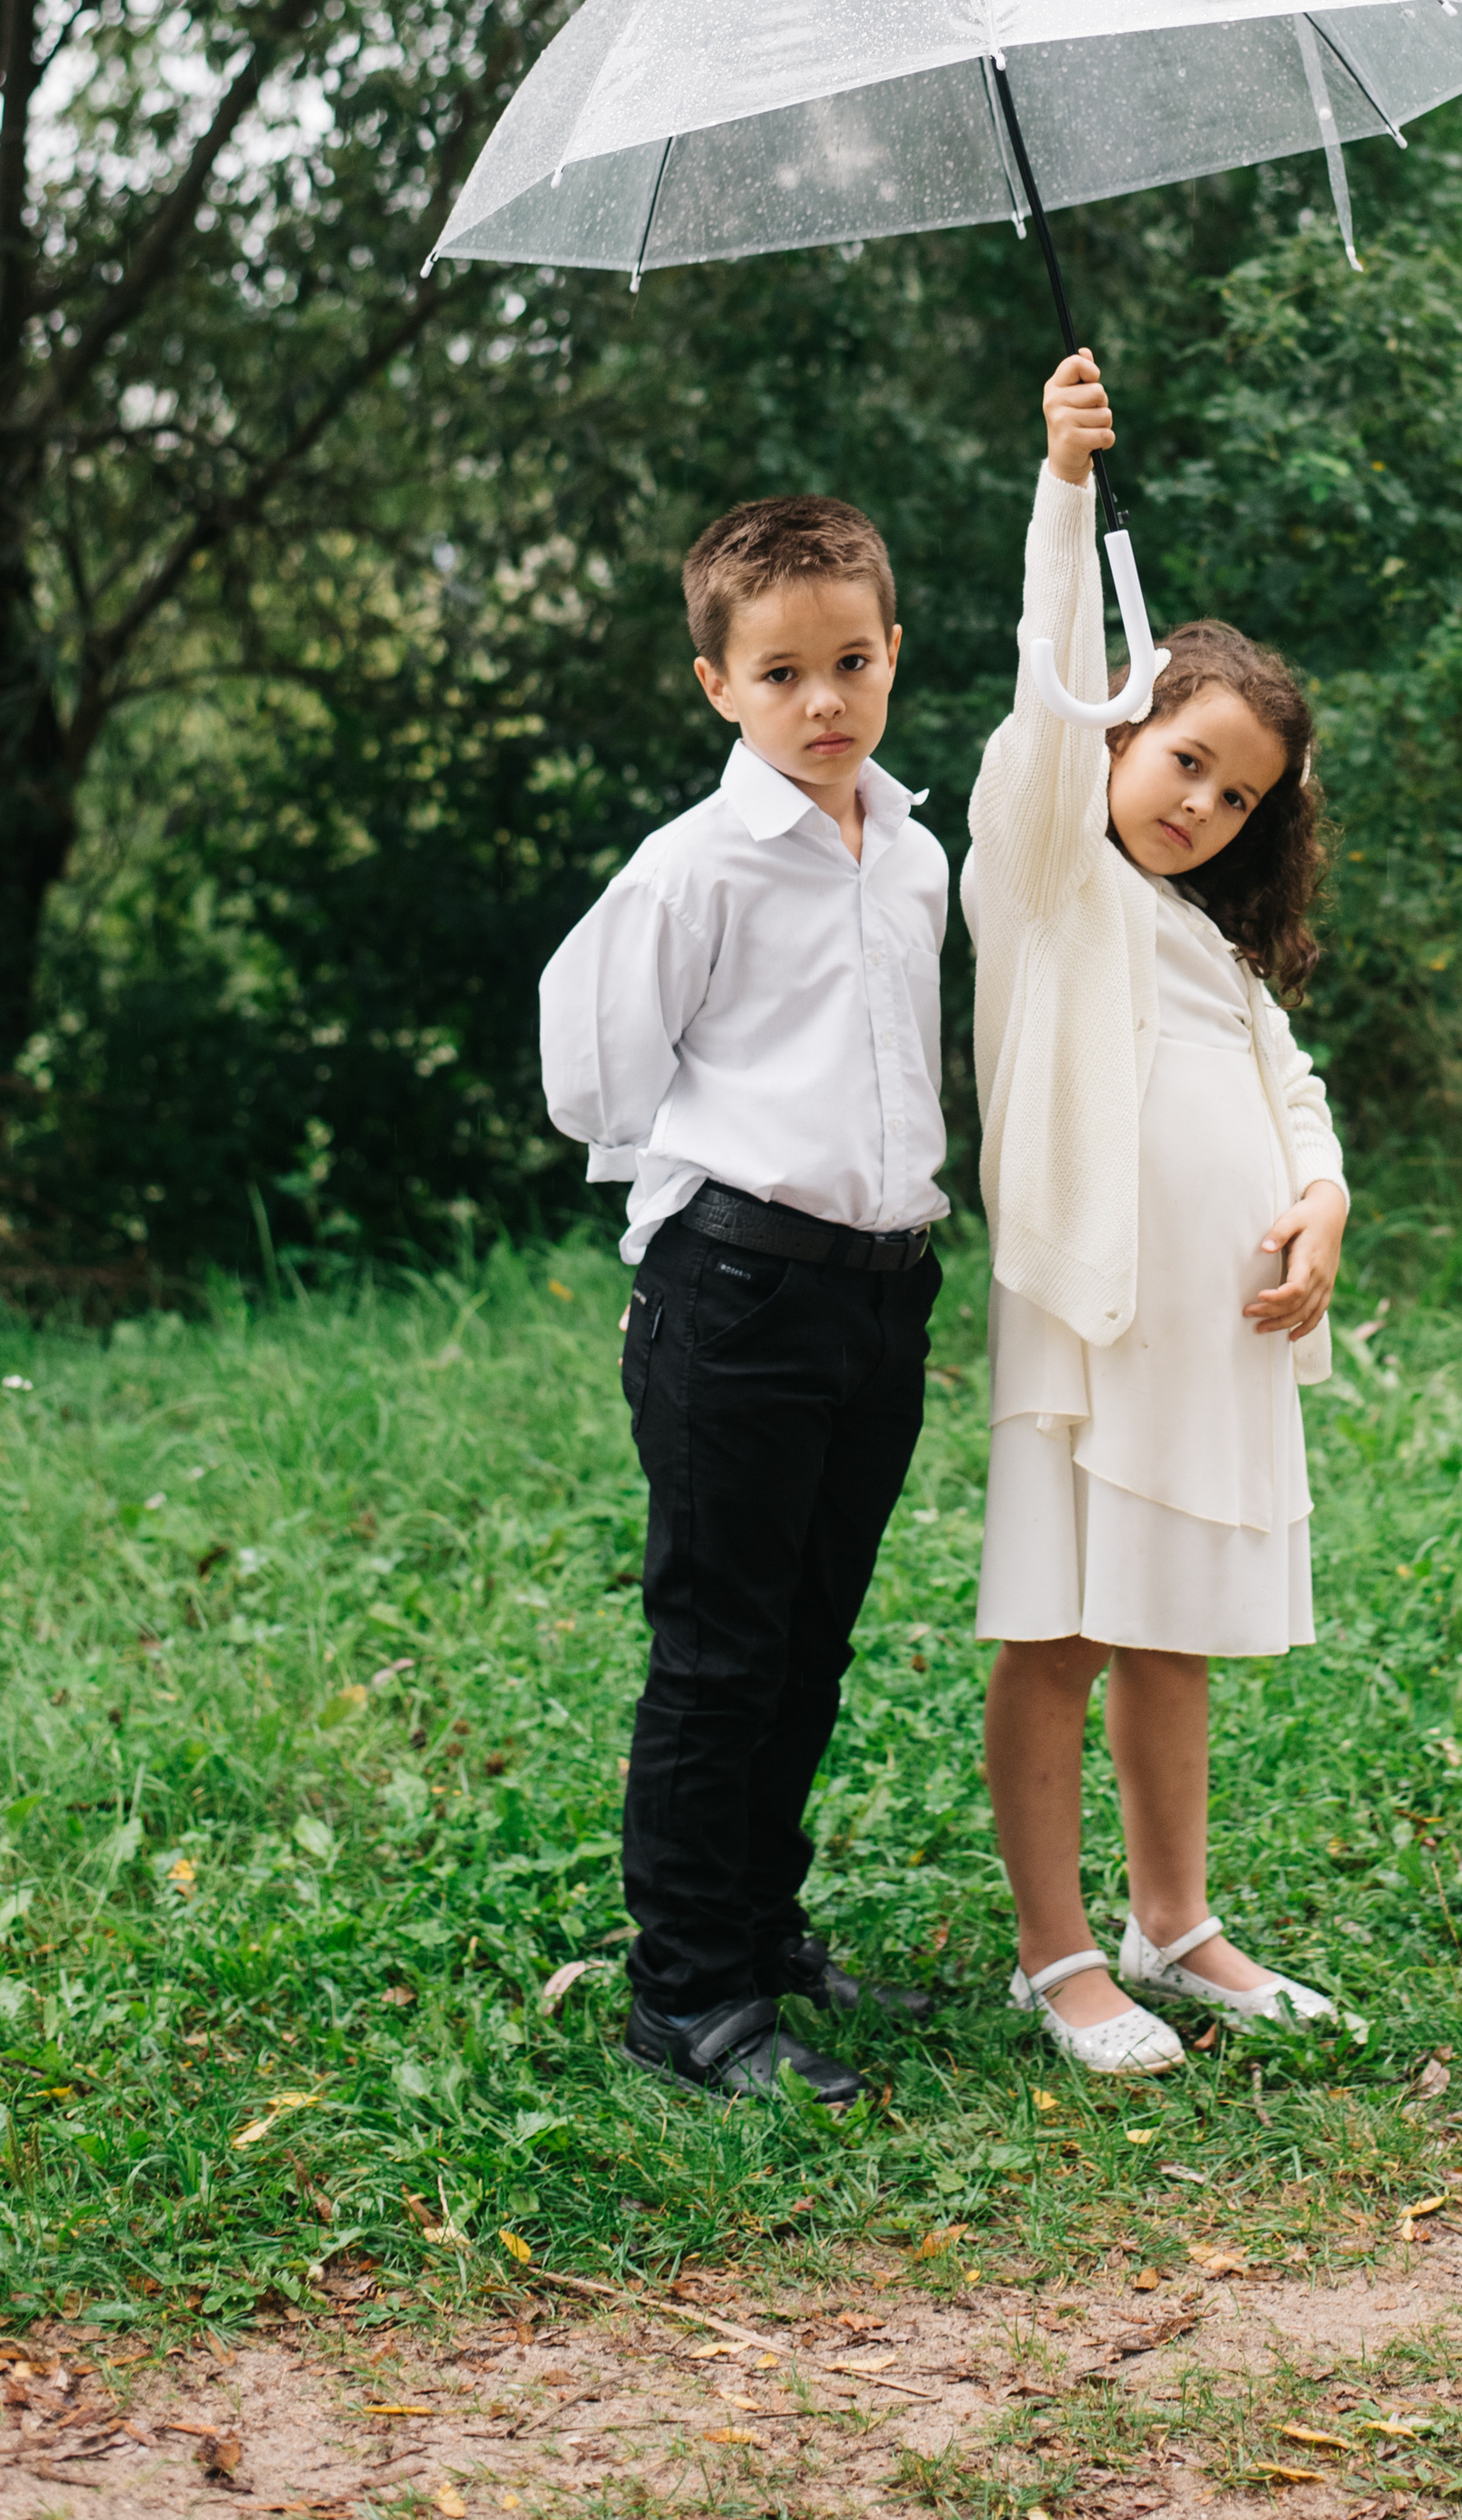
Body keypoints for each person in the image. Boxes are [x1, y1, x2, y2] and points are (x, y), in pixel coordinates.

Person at [965, 351, 1348, 2072]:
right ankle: (1059, 1956)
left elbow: (1288, 1087)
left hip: (1211, 1337)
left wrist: (1322, 1196)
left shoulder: (1207, 938)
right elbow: (1045, 698)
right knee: (1060, 1631)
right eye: (1184, 760)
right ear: (1128, 728)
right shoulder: (1047, 870)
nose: (1199, 806)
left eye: (1236, 794)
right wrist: (1066, 487)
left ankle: (1174, 1921)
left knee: (1168, 1629)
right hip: (1089, 1318)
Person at [539, 495, 947, 2114]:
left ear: (893, 652)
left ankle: (765, 1939)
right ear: (720, 685)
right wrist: (705, 1204)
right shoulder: (695, 864)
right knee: (718, 1654)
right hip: (739, 1294)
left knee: (808, 1640)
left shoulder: (910, 846)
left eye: (852, 662)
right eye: (782, 674)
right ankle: (689, 1998)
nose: (825, 701)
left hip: (880, 1295)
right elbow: (595, 1073)